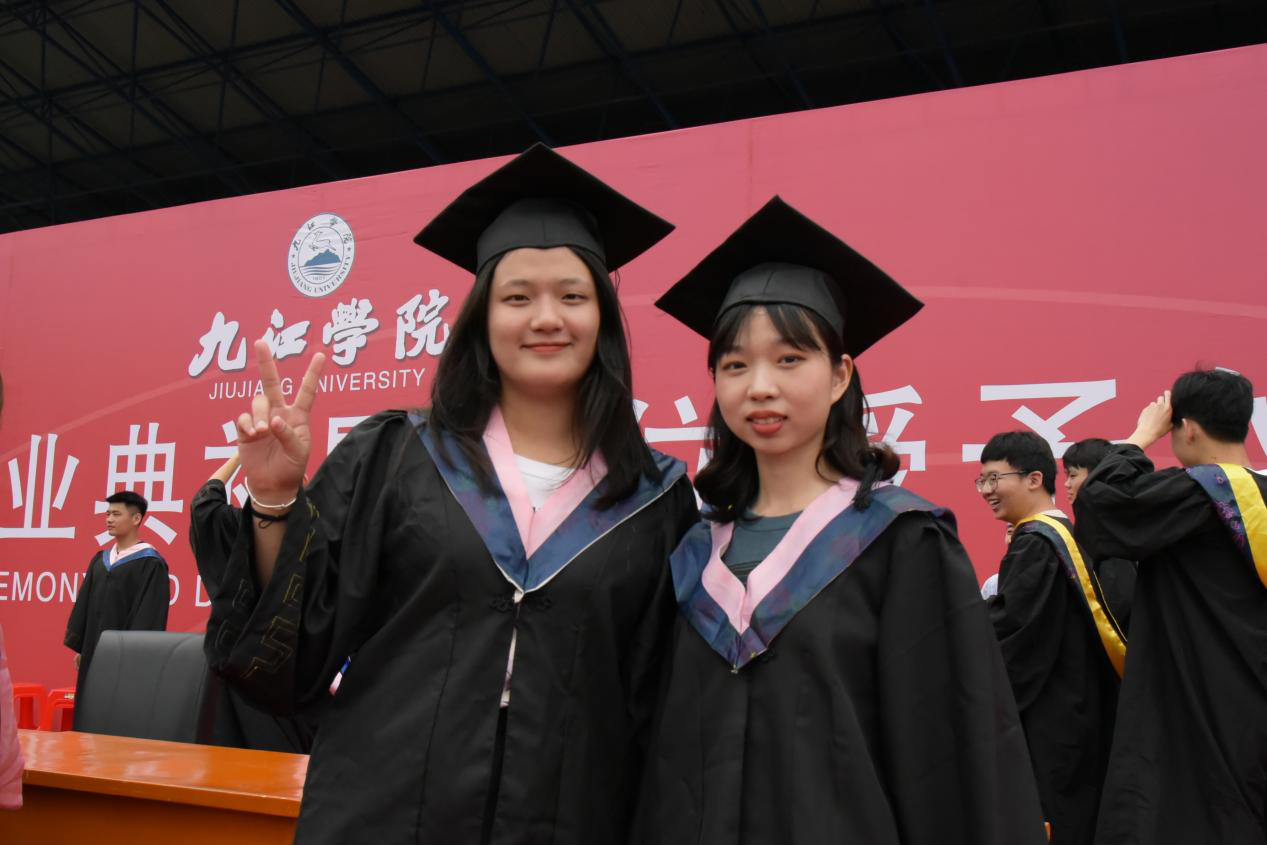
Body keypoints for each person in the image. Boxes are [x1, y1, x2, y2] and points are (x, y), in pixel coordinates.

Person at [194, 144, 698, 844]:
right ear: (481, 318)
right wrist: (277, 498)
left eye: (572, 296)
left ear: (603, 318)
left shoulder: (653, 498)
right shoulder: (397, 454)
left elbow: (654, 704)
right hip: (386, 813)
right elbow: (295, 649)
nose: (545, 317)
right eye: (517, 297)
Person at [638, 197, 1046, 844]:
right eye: (735, 364)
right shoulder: (693, 552)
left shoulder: (901, 541)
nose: (759, 386)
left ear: (839, 376)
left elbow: (955, 755)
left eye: (789, 359)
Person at [1074, 369, 1267, 845]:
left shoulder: (1199, 492)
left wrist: (1139, 437)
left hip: (1204, 698)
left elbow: (1102, 506)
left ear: (1189, 428)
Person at [979, 431, 1124, 845]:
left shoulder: (1037, 543)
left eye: (995, 478)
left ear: (1034, 479)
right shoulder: (1065, 535)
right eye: (982, 481)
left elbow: (1014, 634)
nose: (986, 490)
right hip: (1076, 711)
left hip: (1051, 720)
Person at [64, 490, 170, 721]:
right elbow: (84, 604)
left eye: (116, 514)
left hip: (126, 658)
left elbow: (149, 614)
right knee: (89, 712)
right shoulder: (100, 560)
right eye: (108, 514)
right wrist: (82, 646)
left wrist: (134, 653)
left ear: (136, 519)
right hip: (93, 651)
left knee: (117, 713)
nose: (109, 519)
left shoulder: (150, 563)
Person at [1062, 438, 1136, 632]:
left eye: (1072, 475)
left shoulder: (1109, 531)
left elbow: (1118, 602)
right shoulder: (1099, 527)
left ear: (1098, 475)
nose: (1066, 484)